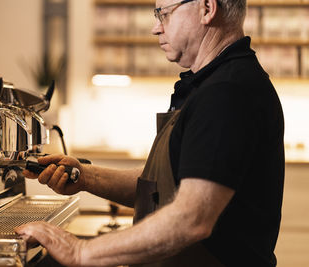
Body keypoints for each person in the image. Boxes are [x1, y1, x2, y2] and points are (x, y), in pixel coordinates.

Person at [15, 0, 285, 266]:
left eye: (163, 14)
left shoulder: (227, 91)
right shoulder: (210, 84)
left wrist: (79, 252)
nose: (155, 28)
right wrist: (85, 176)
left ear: (206, 9)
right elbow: (165, 188)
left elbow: (191, 218)